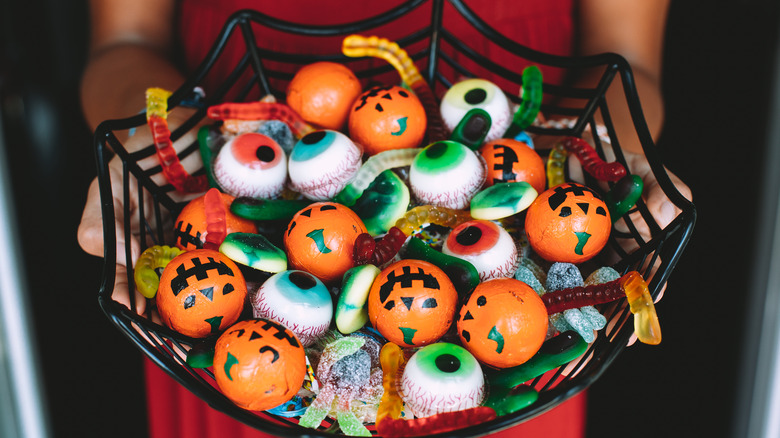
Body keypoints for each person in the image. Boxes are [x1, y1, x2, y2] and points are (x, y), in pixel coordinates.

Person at [76, 1, 691, 437]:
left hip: (504, 386)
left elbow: (629, 56)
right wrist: (162, 147)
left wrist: (602, 157)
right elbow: (123, 42)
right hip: (232, 367)